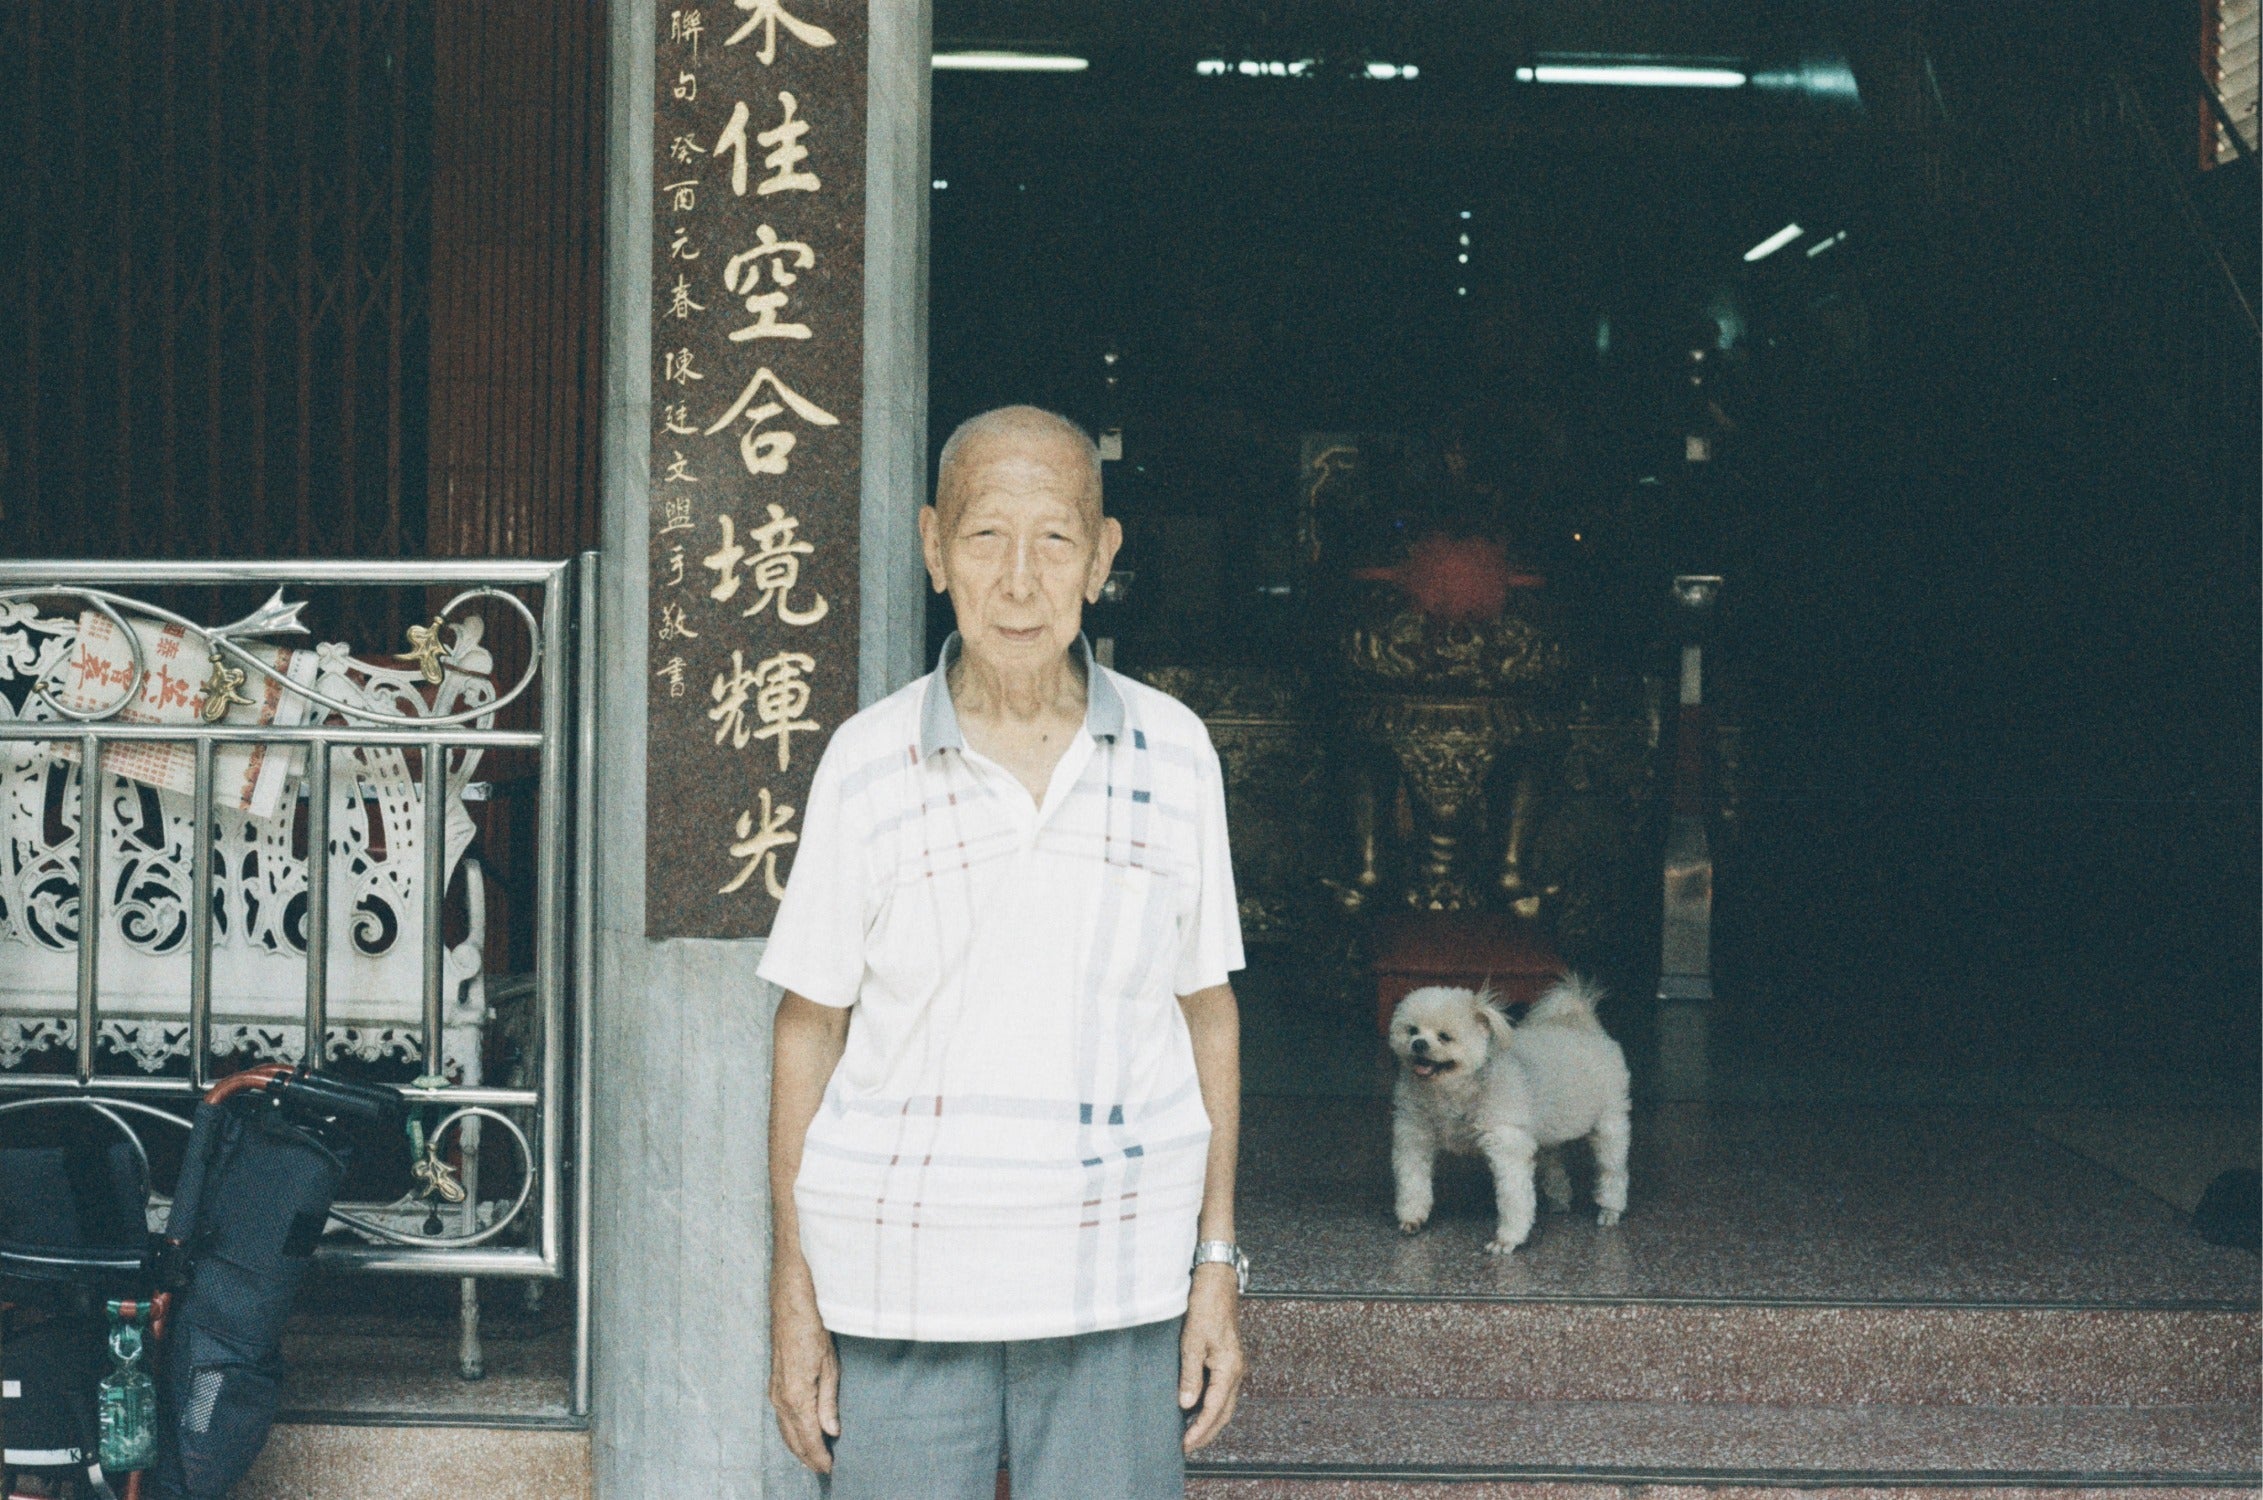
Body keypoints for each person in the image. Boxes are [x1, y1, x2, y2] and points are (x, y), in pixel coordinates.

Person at [758, 406, 1249, 1498]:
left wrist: (1213, 1266)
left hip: (1116, 1283)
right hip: (900, 1288)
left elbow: (1204, 1011)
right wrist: (793, 1293)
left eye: (1055, 540)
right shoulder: (864, 761)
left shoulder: (1175, 751)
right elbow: (810, 1027)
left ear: (1103, 559)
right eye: (986, 538)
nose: (1019, 581)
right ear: (935, 549)